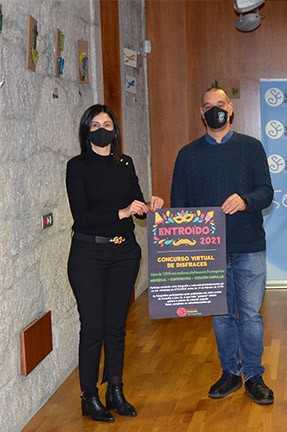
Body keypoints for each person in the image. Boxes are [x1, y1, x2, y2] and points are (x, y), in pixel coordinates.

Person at [171, 87, 274, 404]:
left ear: (230, 109)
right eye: (208, 106)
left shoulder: (252, 148)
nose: (214, 110)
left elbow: (266, 193)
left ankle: (253, 375)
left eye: (220, 104)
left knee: (250, 316)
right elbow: (179, 207)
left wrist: (245, 201)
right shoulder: (187, 155)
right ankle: (230, 372)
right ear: (201, 113)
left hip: (248, 246)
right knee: (220, 316)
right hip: (208, 251)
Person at [66, 104, 164, 422]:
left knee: (116, 328)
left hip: (125, 254)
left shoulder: (125, 163)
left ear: (115, 130)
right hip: (89, 255)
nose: (101, 129)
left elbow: (137, 205)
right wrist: (121, 213)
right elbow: (82, 217)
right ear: (86, 130)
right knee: (93, 327)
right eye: (95, 124)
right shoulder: (77, 166)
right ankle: (89, 396)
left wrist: (149, 205)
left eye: (107, 124)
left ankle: (115, 390)